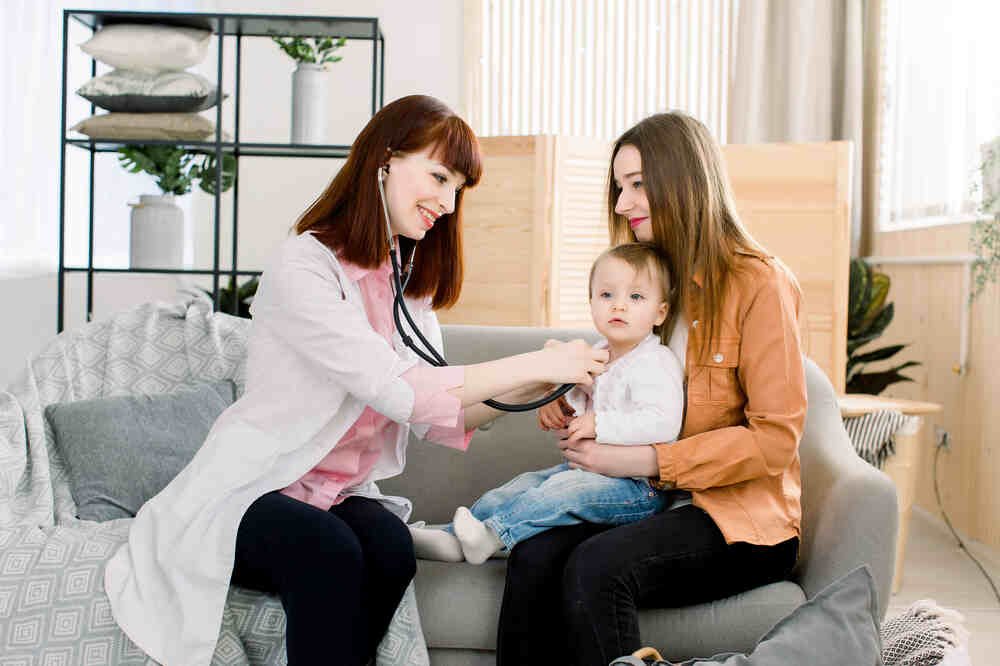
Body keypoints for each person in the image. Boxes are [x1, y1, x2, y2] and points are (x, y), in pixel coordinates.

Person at [102, 95, 609, 666]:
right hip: (252, 488)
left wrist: (544, 380)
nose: (446, 201)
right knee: (328, 551)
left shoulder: (406, 280)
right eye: (439, 176)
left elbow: (442, 416)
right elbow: (400, 388)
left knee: (390, 548)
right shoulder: (304, 266)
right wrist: (537, 365)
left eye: (458, 188)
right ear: (385, 160)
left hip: (333, 493)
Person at [495, 111, 807, 665]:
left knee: (597, 567)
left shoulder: (761, 283)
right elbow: (628, 390)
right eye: (620, 187)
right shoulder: (650, 284)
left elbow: (775, 441)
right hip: (652, 503)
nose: (621, 204)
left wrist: (643, 458)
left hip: (739, 522)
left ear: (685, 181)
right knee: (533, 556)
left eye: (637, 184)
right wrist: (569, 399)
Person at [410, 242, 684, 564]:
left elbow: (662, 423)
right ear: (592, 302)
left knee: (560, 493)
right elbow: (578, 400)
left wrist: (598, 424)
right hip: (586, 471)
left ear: (660, 312)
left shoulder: (655, 361)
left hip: (637, 490)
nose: (619, 306)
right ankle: (454, 536)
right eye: (607, 295)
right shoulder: (594, 354)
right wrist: (564, 405)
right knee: (520, 486)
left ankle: (493, 535)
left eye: (635, 297)